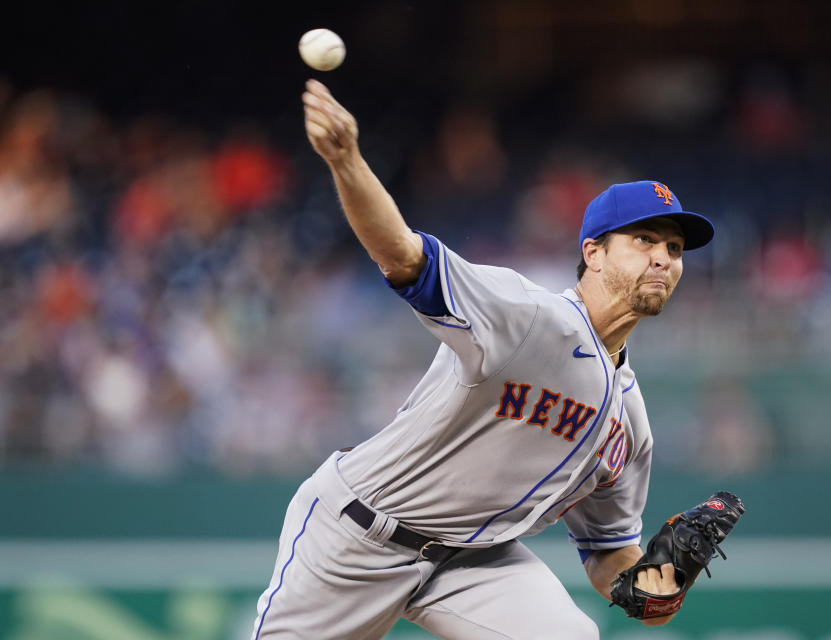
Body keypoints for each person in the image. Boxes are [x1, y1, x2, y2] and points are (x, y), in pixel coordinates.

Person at [251, 79, 717, 640]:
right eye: (644, 239)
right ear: (592, 253)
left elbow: (608, 552)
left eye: (674, 248)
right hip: (360, 535)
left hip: (474, 562)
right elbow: (401, 255)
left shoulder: (631, 423)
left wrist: (650, 587)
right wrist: (347, 160)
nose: (664, 258)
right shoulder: (527, 317)